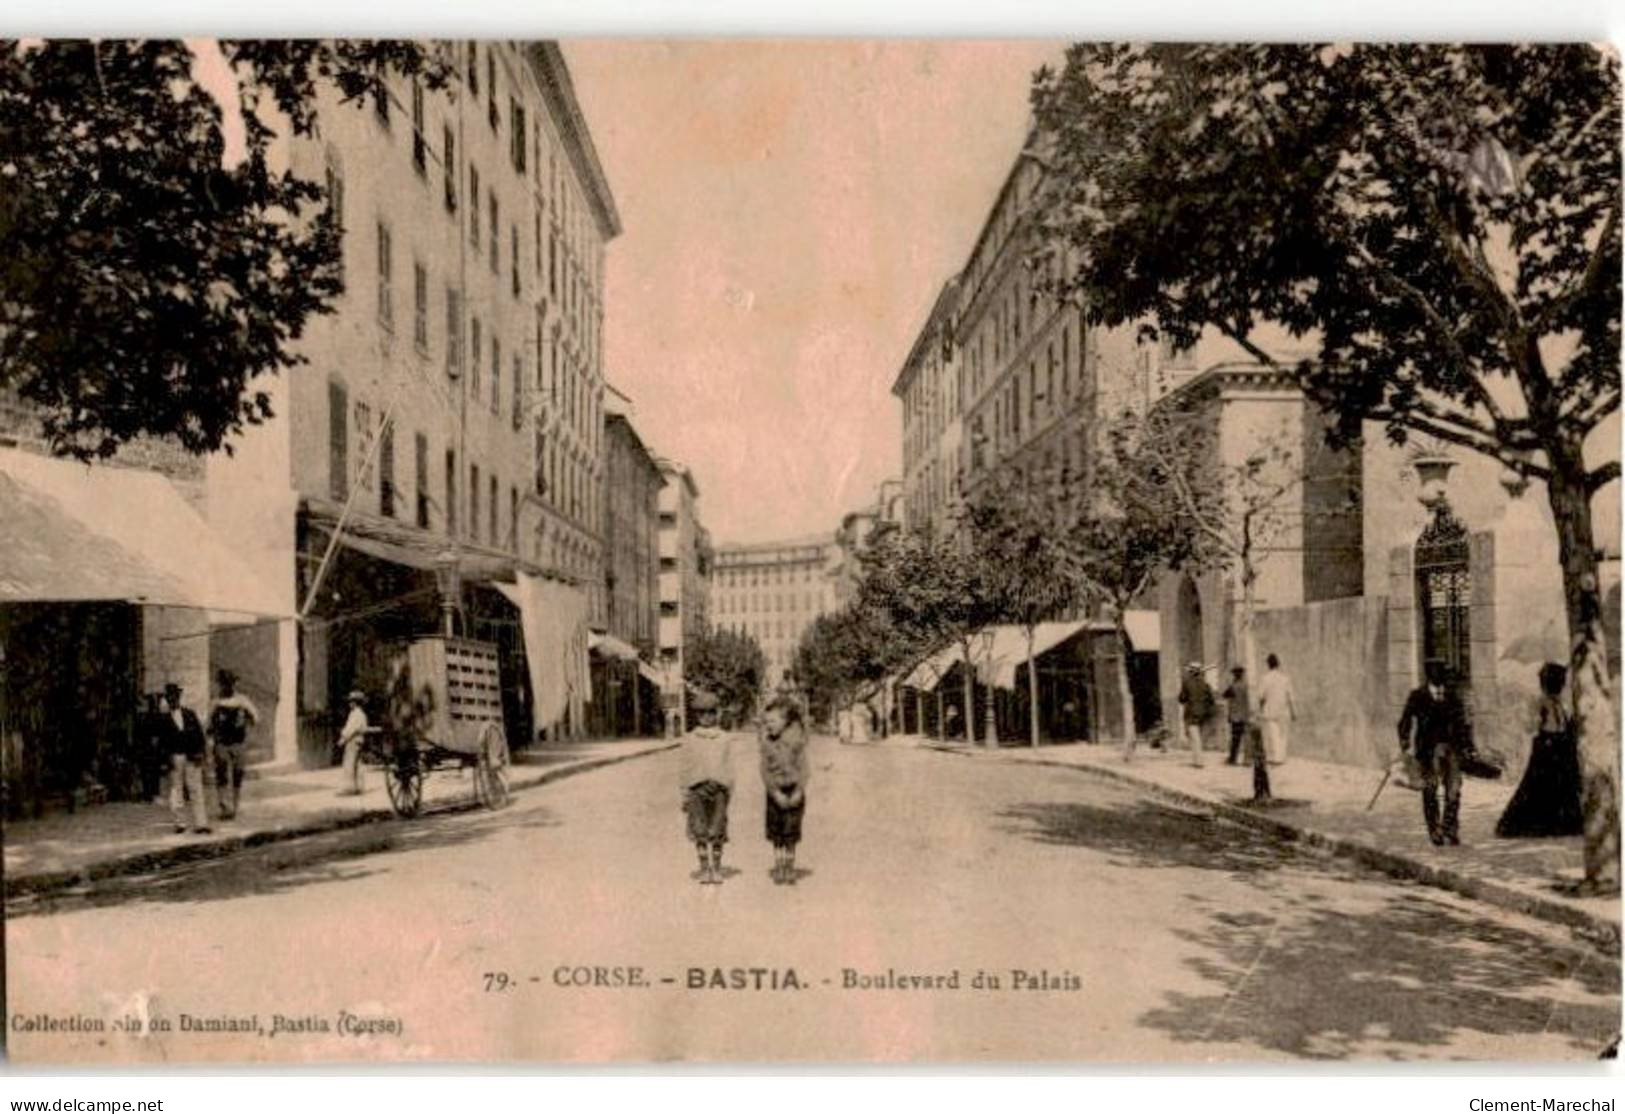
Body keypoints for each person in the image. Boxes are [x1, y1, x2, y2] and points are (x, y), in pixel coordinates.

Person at [1496, 662, 1583, 838]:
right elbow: (1532, 725)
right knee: (1541, 785)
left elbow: (1565, 724)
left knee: (1564, 785)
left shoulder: (1561, 703)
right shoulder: (1541, 702)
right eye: (1558, 682)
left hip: (1562, 745)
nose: (1561, 685)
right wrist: (1540, 724)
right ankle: (1541, 825)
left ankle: (1563, 824)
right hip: (1547, 745)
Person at [1397, 661, 1472, 847]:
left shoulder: (1453, 696)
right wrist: (1405, 741)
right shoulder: (1417, 696)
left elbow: (1463, 723)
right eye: (1439, 672)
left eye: (1444, 673)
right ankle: (1435, 830)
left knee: (1454, 790)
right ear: (1430, 674)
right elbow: (1404, 720)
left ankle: (1450, 828)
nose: (1443, 676)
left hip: (1451, 749)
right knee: (1430, 790)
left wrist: (1468, 746)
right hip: (1428, 751)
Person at [680, 690, 734, 885]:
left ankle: (717, 868)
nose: (706, 717)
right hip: (697, 789)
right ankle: (704, 868)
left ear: (717, 714)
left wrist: (728, 789)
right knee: (700, 829)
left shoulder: (724, 738)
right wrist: (685, 793)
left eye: (711, 712)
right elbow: (685, 767)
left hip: (719, 789)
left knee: (717, 828)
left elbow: (728, 766)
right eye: (702, 713)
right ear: (696, 715)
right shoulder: (690, 738)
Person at [759, 695, 811, 885]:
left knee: (791, 831)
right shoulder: (766, 745)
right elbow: (764, 771)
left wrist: (799, 790)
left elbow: (804, 769)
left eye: (772, 721)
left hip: (794, 792)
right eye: (766, 722)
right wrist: (774, 792)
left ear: (785, 721)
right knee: (776, 832)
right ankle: (779, 866)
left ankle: (790, 867)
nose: (768, 725)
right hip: (775, 793)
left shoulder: (796, 743)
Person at [208, 670, 259, 820]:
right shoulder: (216, 702)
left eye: (230, 683)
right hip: (222, 742)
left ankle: (235, 807)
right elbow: (208, 723)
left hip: (238, 742)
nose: (228, 687)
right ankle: (224, 805)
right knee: (222, 772)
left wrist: (245, 720)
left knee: (238, 772)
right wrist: (211, 737)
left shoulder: (242, 700)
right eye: (225, 684)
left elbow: (256, 718)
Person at [160, 682, 210, 834]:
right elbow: (160, 742)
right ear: (167, 699)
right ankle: (180, 823)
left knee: (196, 788)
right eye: (170, 697)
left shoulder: (190, 714)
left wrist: (201, 753)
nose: (173, 699)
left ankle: (201, 823)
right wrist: (164, 761)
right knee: (176, 789)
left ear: (179, 697)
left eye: (175, 696)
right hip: (174, 756)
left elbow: (200, 736)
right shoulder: (162, 719)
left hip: (191, 755)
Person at [1255, 653, 1298, 765]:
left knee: (1272, 734)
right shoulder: (1285, 679)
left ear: (1268, 665)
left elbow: (1260, 697)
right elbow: (1291, 697)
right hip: (1283, 711)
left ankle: (1274, 757)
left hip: (1270, 710)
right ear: (1278, 665)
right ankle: (1281, 757)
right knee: (1283, 735)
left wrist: (1260, 709)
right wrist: (1294, 712)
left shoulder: (1265, 679)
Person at [1177, 662, 1216, 768]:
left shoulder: (1186, 683)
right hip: (1203, 714)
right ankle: (1197, 759)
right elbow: (1211, 700)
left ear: (1191, 672)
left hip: (1191, 713)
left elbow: (1181, 699)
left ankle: (1198, 761)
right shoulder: (1205, 684)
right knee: (1199, 737)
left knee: (1195, 738)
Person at [337, 689, 369, 797]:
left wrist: (343, 738)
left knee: (349, 763)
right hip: (360, 741)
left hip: (353, 741)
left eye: (351, 701)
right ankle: (359, 787)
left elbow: (351, 729)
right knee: (358, 764)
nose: (350, 703)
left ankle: (349, 788)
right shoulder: (362, 715)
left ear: (355, 703)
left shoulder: (355, 714)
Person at [1221, 666, 1251, 765]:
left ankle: (1233, 759)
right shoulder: (1246, 686)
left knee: (1235, 739)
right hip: (1245, 716)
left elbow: (1224, 695)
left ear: (1235, 675)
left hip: (1235, 717)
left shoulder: (1233, 686)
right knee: (1246, 738)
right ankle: (1247, 760)